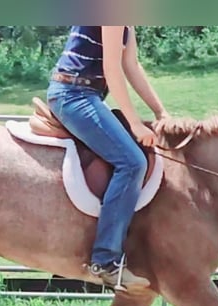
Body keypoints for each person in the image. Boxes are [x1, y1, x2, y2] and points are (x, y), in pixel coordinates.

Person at [47, 26, 169, 291]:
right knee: (133, 162)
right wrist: (135, 124)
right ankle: (105, 260)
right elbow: (112, 69)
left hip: (86, 94)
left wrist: (161, 113)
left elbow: (132, 65)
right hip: (73, 94)